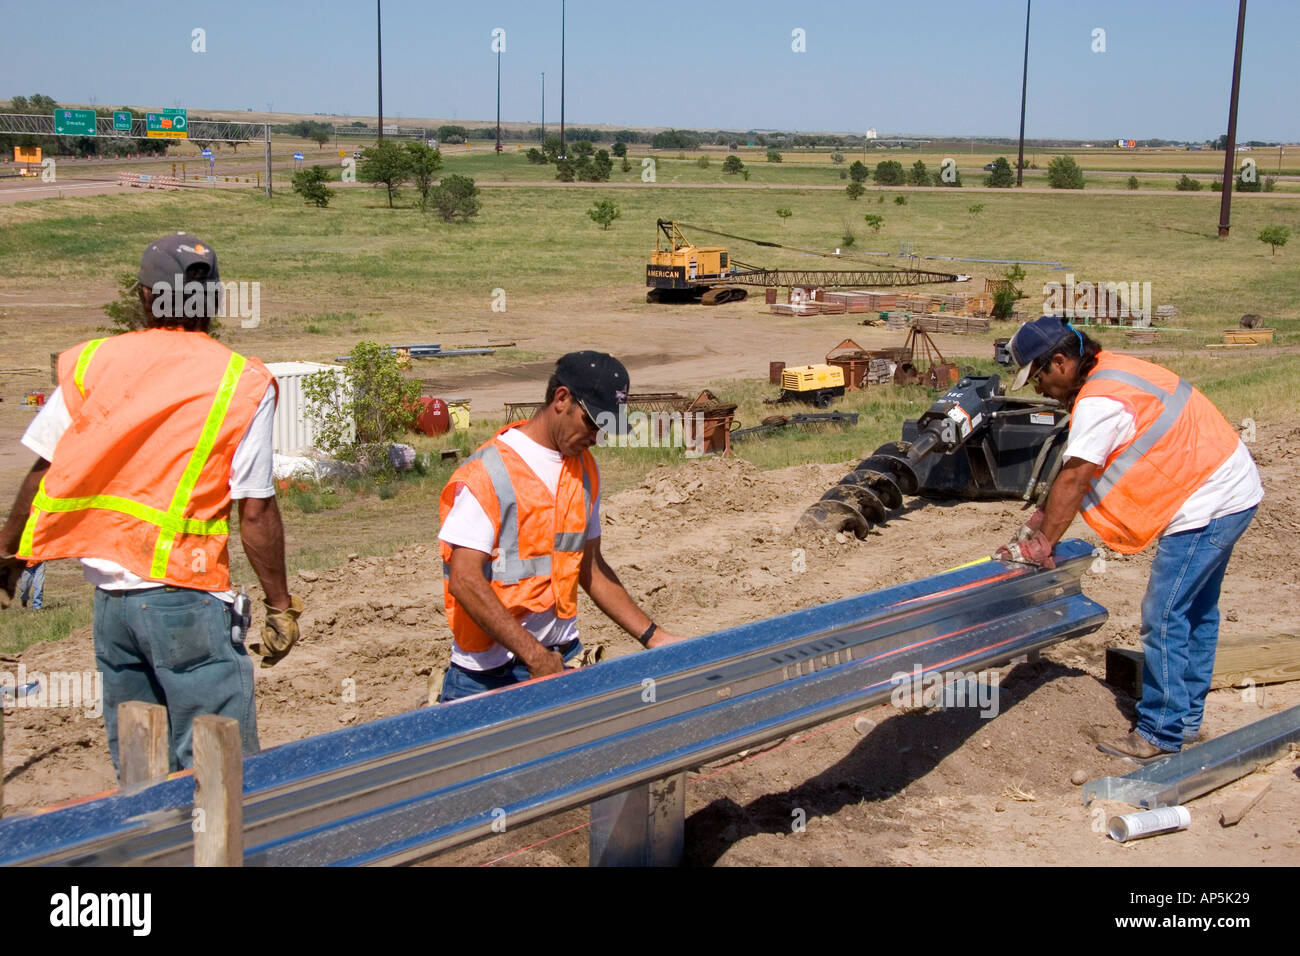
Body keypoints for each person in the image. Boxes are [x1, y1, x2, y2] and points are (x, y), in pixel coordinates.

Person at [0, 232, 304, 774]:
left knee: (141, 765)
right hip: (186, 598)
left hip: (112, 609)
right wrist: (280, 604)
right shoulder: (241, 380)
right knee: (219, 768)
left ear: (144, 295)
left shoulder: (91, 362)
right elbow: (254, 508)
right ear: (214, 300)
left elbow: (43, 472)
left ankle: (148, 852)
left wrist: (10, 557)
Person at [997, 316, 1263, 762]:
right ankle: (1186, 720)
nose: (1038, 389)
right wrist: (1038, 524)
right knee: (1196, 612)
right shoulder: (1113, 370)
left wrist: (1042, 545)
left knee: (1164, 614)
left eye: (1038, 376)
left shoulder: (1100, 401)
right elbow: (1074, 473)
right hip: (1231, 485)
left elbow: (1077, 478)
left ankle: (1161, 733)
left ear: (1060, 362)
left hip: (1209, 501)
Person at [437, 351, 687, 702]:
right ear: (561, 399)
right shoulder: (488, 473)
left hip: (561, 658)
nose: (597, 437)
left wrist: (654, 637)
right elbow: (465, 579)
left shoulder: (584, 470)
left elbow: (591, 568)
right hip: (487, 676)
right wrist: (534, 655)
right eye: (592, 423)